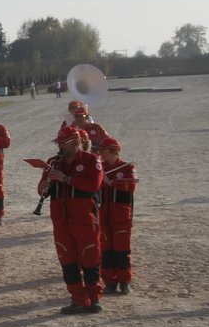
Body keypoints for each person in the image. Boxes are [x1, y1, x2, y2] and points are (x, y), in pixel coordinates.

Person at [37, 125, 105, 314]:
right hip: (61, 220)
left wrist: (66, 179)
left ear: (75, 142)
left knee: (90, 258)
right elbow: (41, 189)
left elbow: (94, 184)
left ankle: (94, 298)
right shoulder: (54, 162)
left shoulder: (92, 160)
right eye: (58, 143)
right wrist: (45, 184)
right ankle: (78, 299)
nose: (60, 147)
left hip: (84, 219)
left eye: (63, 144)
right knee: (67, 261)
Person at [97, 138, 137, 294]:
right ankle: (109, 281)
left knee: (121, 249)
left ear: (114, 151)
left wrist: (111, 182)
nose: (101, 154)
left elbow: (131, 185)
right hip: (103, 214)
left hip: (121, 214)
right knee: (105, 250)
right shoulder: (100, 167)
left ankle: (124, 281)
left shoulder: (127, 167)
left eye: (104, 151)